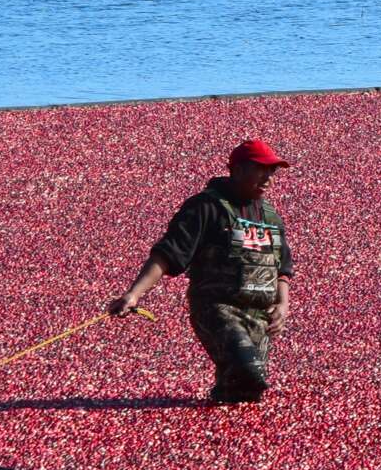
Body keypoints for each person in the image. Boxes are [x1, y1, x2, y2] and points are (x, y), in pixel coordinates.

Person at [108, 138, 295, 405]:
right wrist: (134, 294)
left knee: (247, 392)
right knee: (248, 370)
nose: (269, 177)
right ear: (239, 169)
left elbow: (282, 266)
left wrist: (282, 304)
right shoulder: (205, 207)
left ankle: (224, 431)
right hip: (218, 308)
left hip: (259, 315)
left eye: (272, 171)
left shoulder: (269, 216)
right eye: (261, 169)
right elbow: (168, 253)